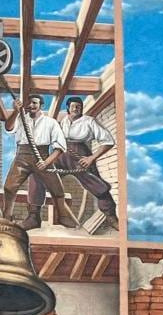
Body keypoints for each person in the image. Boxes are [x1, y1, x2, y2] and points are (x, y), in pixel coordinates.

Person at [1, 93, 74, 231]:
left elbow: (60, 147)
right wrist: (16, 111)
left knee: (57, 189)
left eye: (34, 103)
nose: (31, 106)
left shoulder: (50, 122)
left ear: (41, 105)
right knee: (9, 187)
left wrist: (47, 162)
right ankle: (6, 217)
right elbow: (8, 127)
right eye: (28, 103)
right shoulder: (20, 118)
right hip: (22, 156)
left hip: (43, 156)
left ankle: (62, 217)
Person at [47, 96, 118, 229]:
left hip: (80, 154)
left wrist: (91, 158)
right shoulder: (63, 121)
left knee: (98, 186)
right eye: (73, 106)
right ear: (68, 108)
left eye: (79, 106)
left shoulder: (89, 121)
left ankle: (111, 217)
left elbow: (108, 141)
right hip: (61, 153)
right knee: (44, 176)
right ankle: (38, 214)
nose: (76, 108)